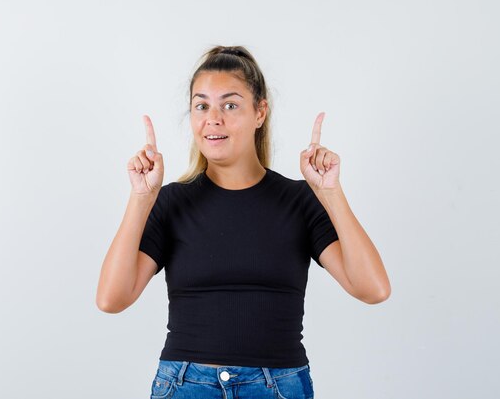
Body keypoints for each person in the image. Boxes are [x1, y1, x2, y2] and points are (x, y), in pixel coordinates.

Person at [96, 45, 391, 399]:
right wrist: (141, 198)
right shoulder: (172, 201)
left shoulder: (299, 201)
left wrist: (329, 192)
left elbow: (373, 289)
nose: (213, 118)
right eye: (202, 105)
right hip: (186, 385)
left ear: (260, 112)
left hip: (277, 387)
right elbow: (111, 299)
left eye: (230, 105)